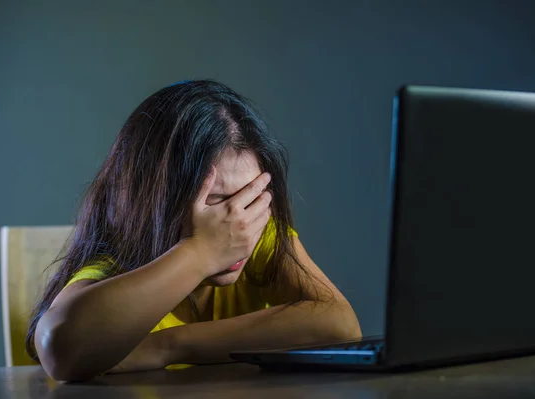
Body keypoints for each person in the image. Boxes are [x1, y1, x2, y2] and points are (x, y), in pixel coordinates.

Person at [26, 80, 361, 382]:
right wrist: (200, 252)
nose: (237, 223)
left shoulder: (255, 232)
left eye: (251, 199)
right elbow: (58, 348)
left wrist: (169, 346)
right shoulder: (118, 266)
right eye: (216, 204)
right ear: (155, 201)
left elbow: (339, 325)